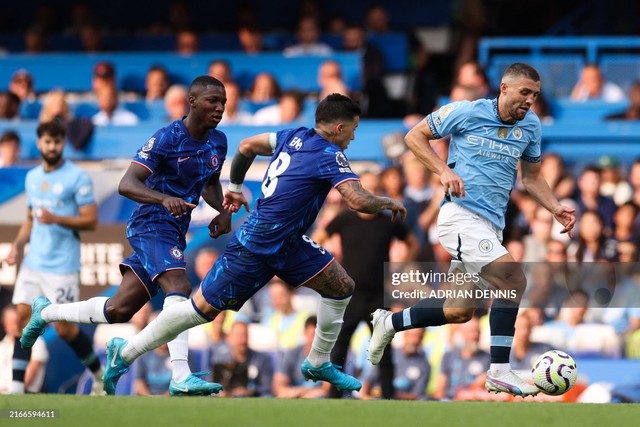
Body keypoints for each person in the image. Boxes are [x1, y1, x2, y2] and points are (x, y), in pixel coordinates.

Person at [98, 93, 407, 395]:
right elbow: (357, 200)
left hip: (288, 241)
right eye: (353, 129)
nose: (354, 136)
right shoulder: (329, 154)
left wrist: (234, 187)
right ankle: (124, 354)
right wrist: (386, 201)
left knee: (341, 286)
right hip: (256, 243)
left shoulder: (293, 136)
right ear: (339, 128)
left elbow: (247, 146)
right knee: (198, 311)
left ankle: (317, 361)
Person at [367, 62, 576, 397]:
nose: (529, 101)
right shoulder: (467, 112)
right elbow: (414, 135)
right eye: (524, 93)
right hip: (459, 217)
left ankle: (389, 322)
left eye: (535, 95)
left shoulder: (532, 126)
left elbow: (532, 177)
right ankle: (499, 371)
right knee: (513, 278)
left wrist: (555, 208)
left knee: (459, 310)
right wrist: (441, 170)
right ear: (504, 89)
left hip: (491, 228)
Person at [20, 75, 231, 396]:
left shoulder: (219, 141)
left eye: (223, 102)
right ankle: (181, 374)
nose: (219, 108)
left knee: (118, 310)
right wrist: (163, 198)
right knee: (179, 285)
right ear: (192, 102)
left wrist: (222, 210)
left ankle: (46, 312)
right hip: (149, 223)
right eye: (212, 101)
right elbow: (127, 184)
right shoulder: (166, 138)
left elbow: (210, 183)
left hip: (173, 229)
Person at [4, 120, 104, 395]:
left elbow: (91, 220)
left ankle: (99, 374)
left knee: (63, 329)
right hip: (34, 261)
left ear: (63, 143)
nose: (52, 147)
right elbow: (30, 219)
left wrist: (56, 218)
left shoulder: (77, 177)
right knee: (22, 319)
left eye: (57, 142)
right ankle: (15, 388)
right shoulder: (32, 177)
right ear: (39, 143)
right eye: (47, 142)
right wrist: (16, 245)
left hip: (62, 266)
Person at [315, 170, 419, 398]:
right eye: (366, 188)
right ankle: (333, 395)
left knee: (384, 348)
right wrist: (328, 267)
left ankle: (389, 396)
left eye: (374, 188)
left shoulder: (387, 221)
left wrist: (397, 269)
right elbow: (319, 238)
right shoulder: (344, 219)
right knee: (340, 347)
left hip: (377, 296)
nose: (370, 192)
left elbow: (413, 243)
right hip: (349, 295)